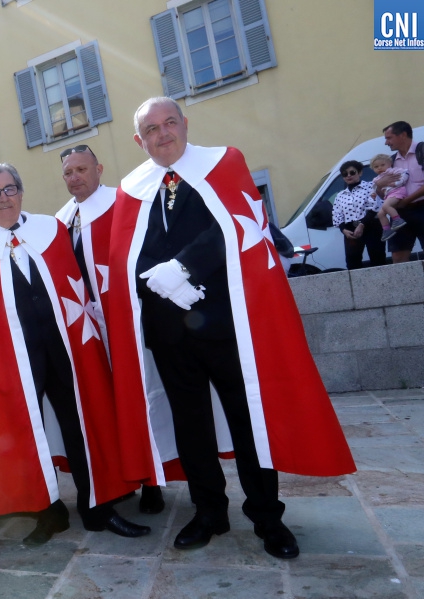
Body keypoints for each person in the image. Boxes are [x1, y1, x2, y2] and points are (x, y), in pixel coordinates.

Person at [104, 97, 355, 560]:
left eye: (169, 123)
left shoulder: (223, 162)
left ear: (185, 124)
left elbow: (237, 225)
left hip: (226, 321)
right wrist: (158, 282)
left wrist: (183, 269)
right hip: (168, 329)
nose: (163, 134)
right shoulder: (131, 188)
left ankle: (267, 517)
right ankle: (209, 512)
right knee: (191, 425)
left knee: (247, 420)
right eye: (151, 129)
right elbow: (125, 252)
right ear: (140, 140)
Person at [0, 163, 149, 546]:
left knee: (82, 422)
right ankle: (48, 513)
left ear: (21, 192)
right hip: (11, 357)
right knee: (24, 431)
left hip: (65, 346)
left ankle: (98, 508)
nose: (4, 198)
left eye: (10, 188)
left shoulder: (51, 230)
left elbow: (73, 286)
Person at [54, 144, 165, 515]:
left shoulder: (121, 203)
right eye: (68, 172)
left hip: (125, 321)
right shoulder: (62, 220)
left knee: (139, 398)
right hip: (88, 329)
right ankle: (122, 477)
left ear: (98, 169)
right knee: (105, 404)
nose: (75, 178)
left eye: (82, 169)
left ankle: (152, 480)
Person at [379, 121, 424, 263]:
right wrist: (379, 186)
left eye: (389, 138)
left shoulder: (422, 151)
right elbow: (385, 194)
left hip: (422, 208)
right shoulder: (391, 161)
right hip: (400, 213)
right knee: (398, 258)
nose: (386, 143)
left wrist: (407, 200)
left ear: (403, 135)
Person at [331, 160, 386, 269]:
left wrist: (362, 225)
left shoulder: (371, 186)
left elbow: (375, 206)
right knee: (352, 262)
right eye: (345, 174)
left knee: (378, 258)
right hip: (351, 229)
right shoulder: (340, 195)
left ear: (360, 172)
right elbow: (337, 214)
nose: (348, 176)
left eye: (352, 172)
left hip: (371, 225)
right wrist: (343, 229)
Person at [369, 153, 409, 242]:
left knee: (386, 206)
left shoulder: (392, 171)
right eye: (376, 167)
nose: (379, 168)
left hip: (397, 191)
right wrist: (373, 193)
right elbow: (374, 187)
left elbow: (405, 173)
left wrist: (398, 183)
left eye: (382, 165)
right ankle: (387, 230)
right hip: (389, 195)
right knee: (380, 214)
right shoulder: (376, 179)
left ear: (390, 164)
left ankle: (397, 219)